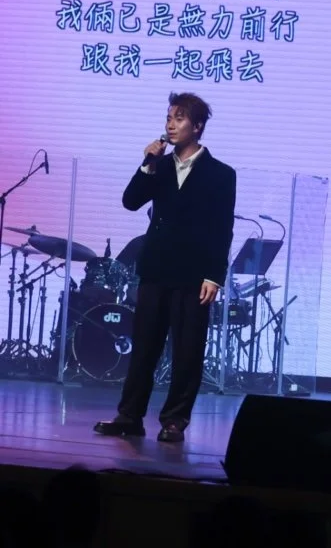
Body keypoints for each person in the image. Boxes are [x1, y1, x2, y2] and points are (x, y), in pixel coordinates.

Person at [95, 93, 236, 444]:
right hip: (156, 269)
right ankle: (130, 416)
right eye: (169, 117)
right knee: (144, 347)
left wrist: (215, 275)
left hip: (194, 275)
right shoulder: (158, 166)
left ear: (197, 126)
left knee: (187, 352)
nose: (171, 125)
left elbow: (222, 229)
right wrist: (147, 163)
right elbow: (130, 202)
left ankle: (174, 420)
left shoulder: (221, 174)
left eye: (179, 118)